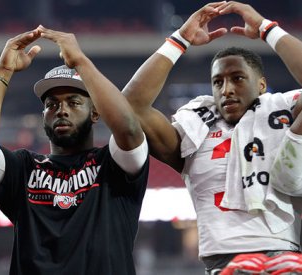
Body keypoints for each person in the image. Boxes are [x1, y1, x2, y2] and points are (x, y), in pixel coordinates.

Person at [121, 1, 302, 274]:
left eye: (238, 78)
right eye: (218, 82)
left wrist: (267, 29)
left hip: (284, 255)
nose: (226, 89)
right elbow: (130, 106)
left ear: (261, 85)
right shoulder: (193, 128)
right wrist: (179, 39)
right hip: (222, 260)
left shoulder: (282, 111)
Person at [0, 25, 149, 274]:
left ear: (95, 113)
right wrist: (3, 70)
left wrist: (80, 61)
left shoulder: (112, 164)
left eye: (73, 102)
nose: (61, 110)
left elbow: (130, 129)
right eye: (51, 104)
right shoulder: (23, 168)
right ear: (43, 116)